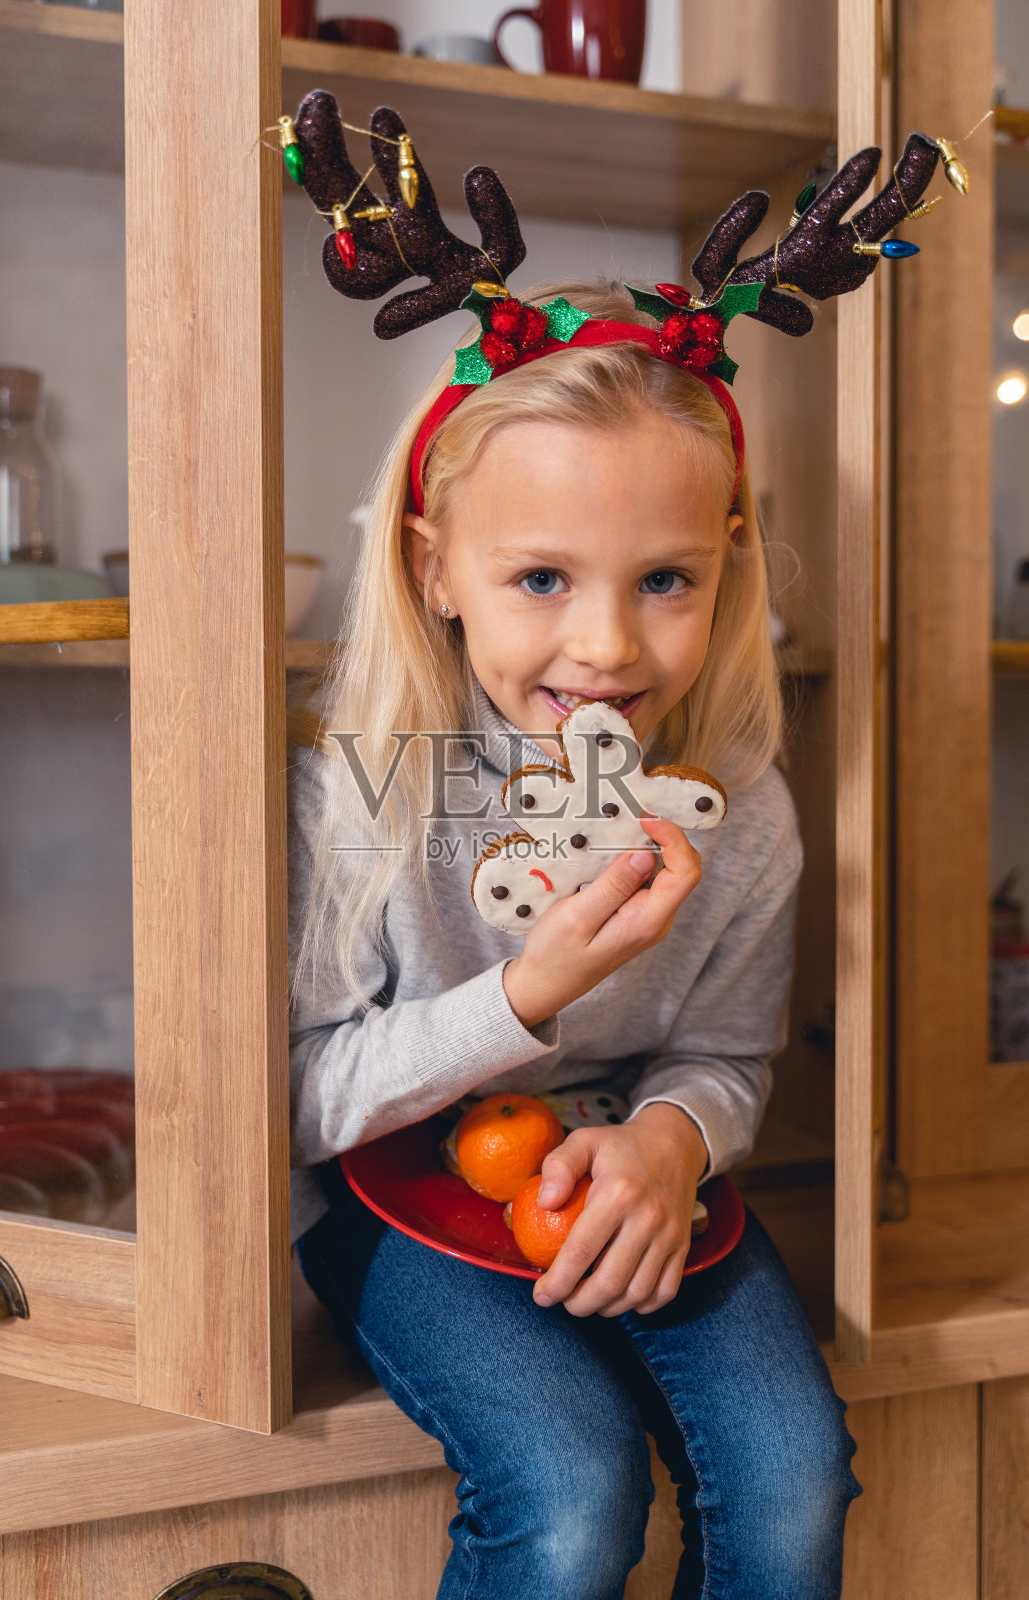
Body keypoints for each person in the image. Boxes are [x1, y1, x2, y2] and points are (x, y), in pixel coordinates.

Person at [288, 277, 863, 1599]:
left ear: (728, 560)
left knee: (789, 1476)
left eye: (665, 579)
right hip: (396, 1186)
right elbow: (303, 1095)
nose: (604, 647)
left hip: (636, 1176)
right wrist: (529, 992)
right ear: (434, 566)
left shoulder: (741, 809)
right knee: (567, 1487)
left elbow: (725, 1057)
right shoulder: (370, 793)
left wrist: (673, 1141)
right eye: (540, 576)